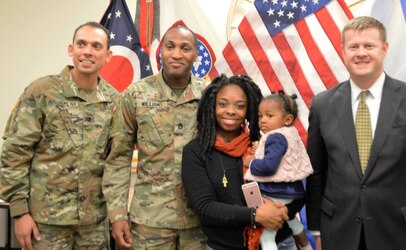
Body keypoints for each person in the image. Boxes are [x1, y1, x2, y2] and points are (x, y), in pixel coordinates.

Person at [305, 16, 406, 250]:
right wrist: (316, 229)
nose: (361, 53)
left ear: (384, 49)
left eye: (369, 46)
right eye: (354, 46)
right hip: (339, 234)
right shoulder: (322, 104)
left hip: (401, 234)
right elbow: (316, 175)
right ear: (343, 51)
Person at [0, 21, 117, 250]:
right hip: (46, 222)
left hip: (93, 224)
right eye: (81, 44)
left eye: (96, 46)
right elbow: (15, 152)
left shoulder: (114, 100)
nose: (87, 52)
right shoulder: (41, 92)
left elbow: (115, 161)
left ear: (108, 55)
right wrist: (19, 212)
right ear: (71, 49)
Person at [102, 25, 208, 249]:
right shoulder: (135, 95)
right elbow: (118, 159)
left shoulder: (210, 96)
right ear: (161, 51)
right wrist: (118, 214)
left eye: (185, 48)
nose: (177, 54)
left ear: (196, 55)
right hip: (150, 221)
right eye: (170, 47)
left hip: (199, 220)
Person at [182, 74, 302, 250]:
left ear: (249, 110)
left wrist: (283, 211)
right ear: (212, 106)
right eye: (223, 104)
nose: (231, 111)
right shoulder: (196, 151)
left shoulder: (267, 145)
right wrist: (255, 215)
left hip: (279, 243)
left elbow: (297, 188)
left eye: (240, 106)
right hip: (225, 246)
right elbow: (205, 208)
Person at [244, 92, 313, 250]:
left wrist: (252, 162)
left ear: (287, 119)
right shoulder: (290, 134)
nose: (263, 120)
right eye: (260, 116)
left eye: (269, 115)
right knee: (293, 223)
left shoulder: (276, 137)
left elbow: (269, 167)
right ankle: (306, 246)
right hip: (291, 192)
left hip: (274, 192)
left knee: (267, 236)